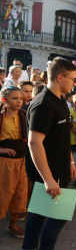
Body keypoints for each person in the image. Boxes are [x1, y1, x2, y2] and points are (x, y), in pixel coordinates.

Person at [17, 57, 76, 250]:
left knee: (39, 214)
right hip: (48, 173)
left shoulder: (60, 99)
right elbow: (34, 143)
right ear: (60, 77)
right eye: (72, 79)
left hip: (58, 168)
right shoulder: (43, 104)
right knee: (57, 217)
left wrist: (70, 161)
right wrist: (48, 179)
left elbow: (62, 135)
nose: (74, 83)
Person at [0, 87, 27, 239]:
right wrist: (2, 150)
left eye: (20, 98)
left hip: (22, 161)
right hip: (5, 162)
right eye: (14, 98)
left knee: (20, 192)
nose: (18, 101)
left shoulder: (25, 115)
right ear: (4, 100)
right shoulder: (0, 117)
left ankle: (13, 225)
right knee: (3, 193)